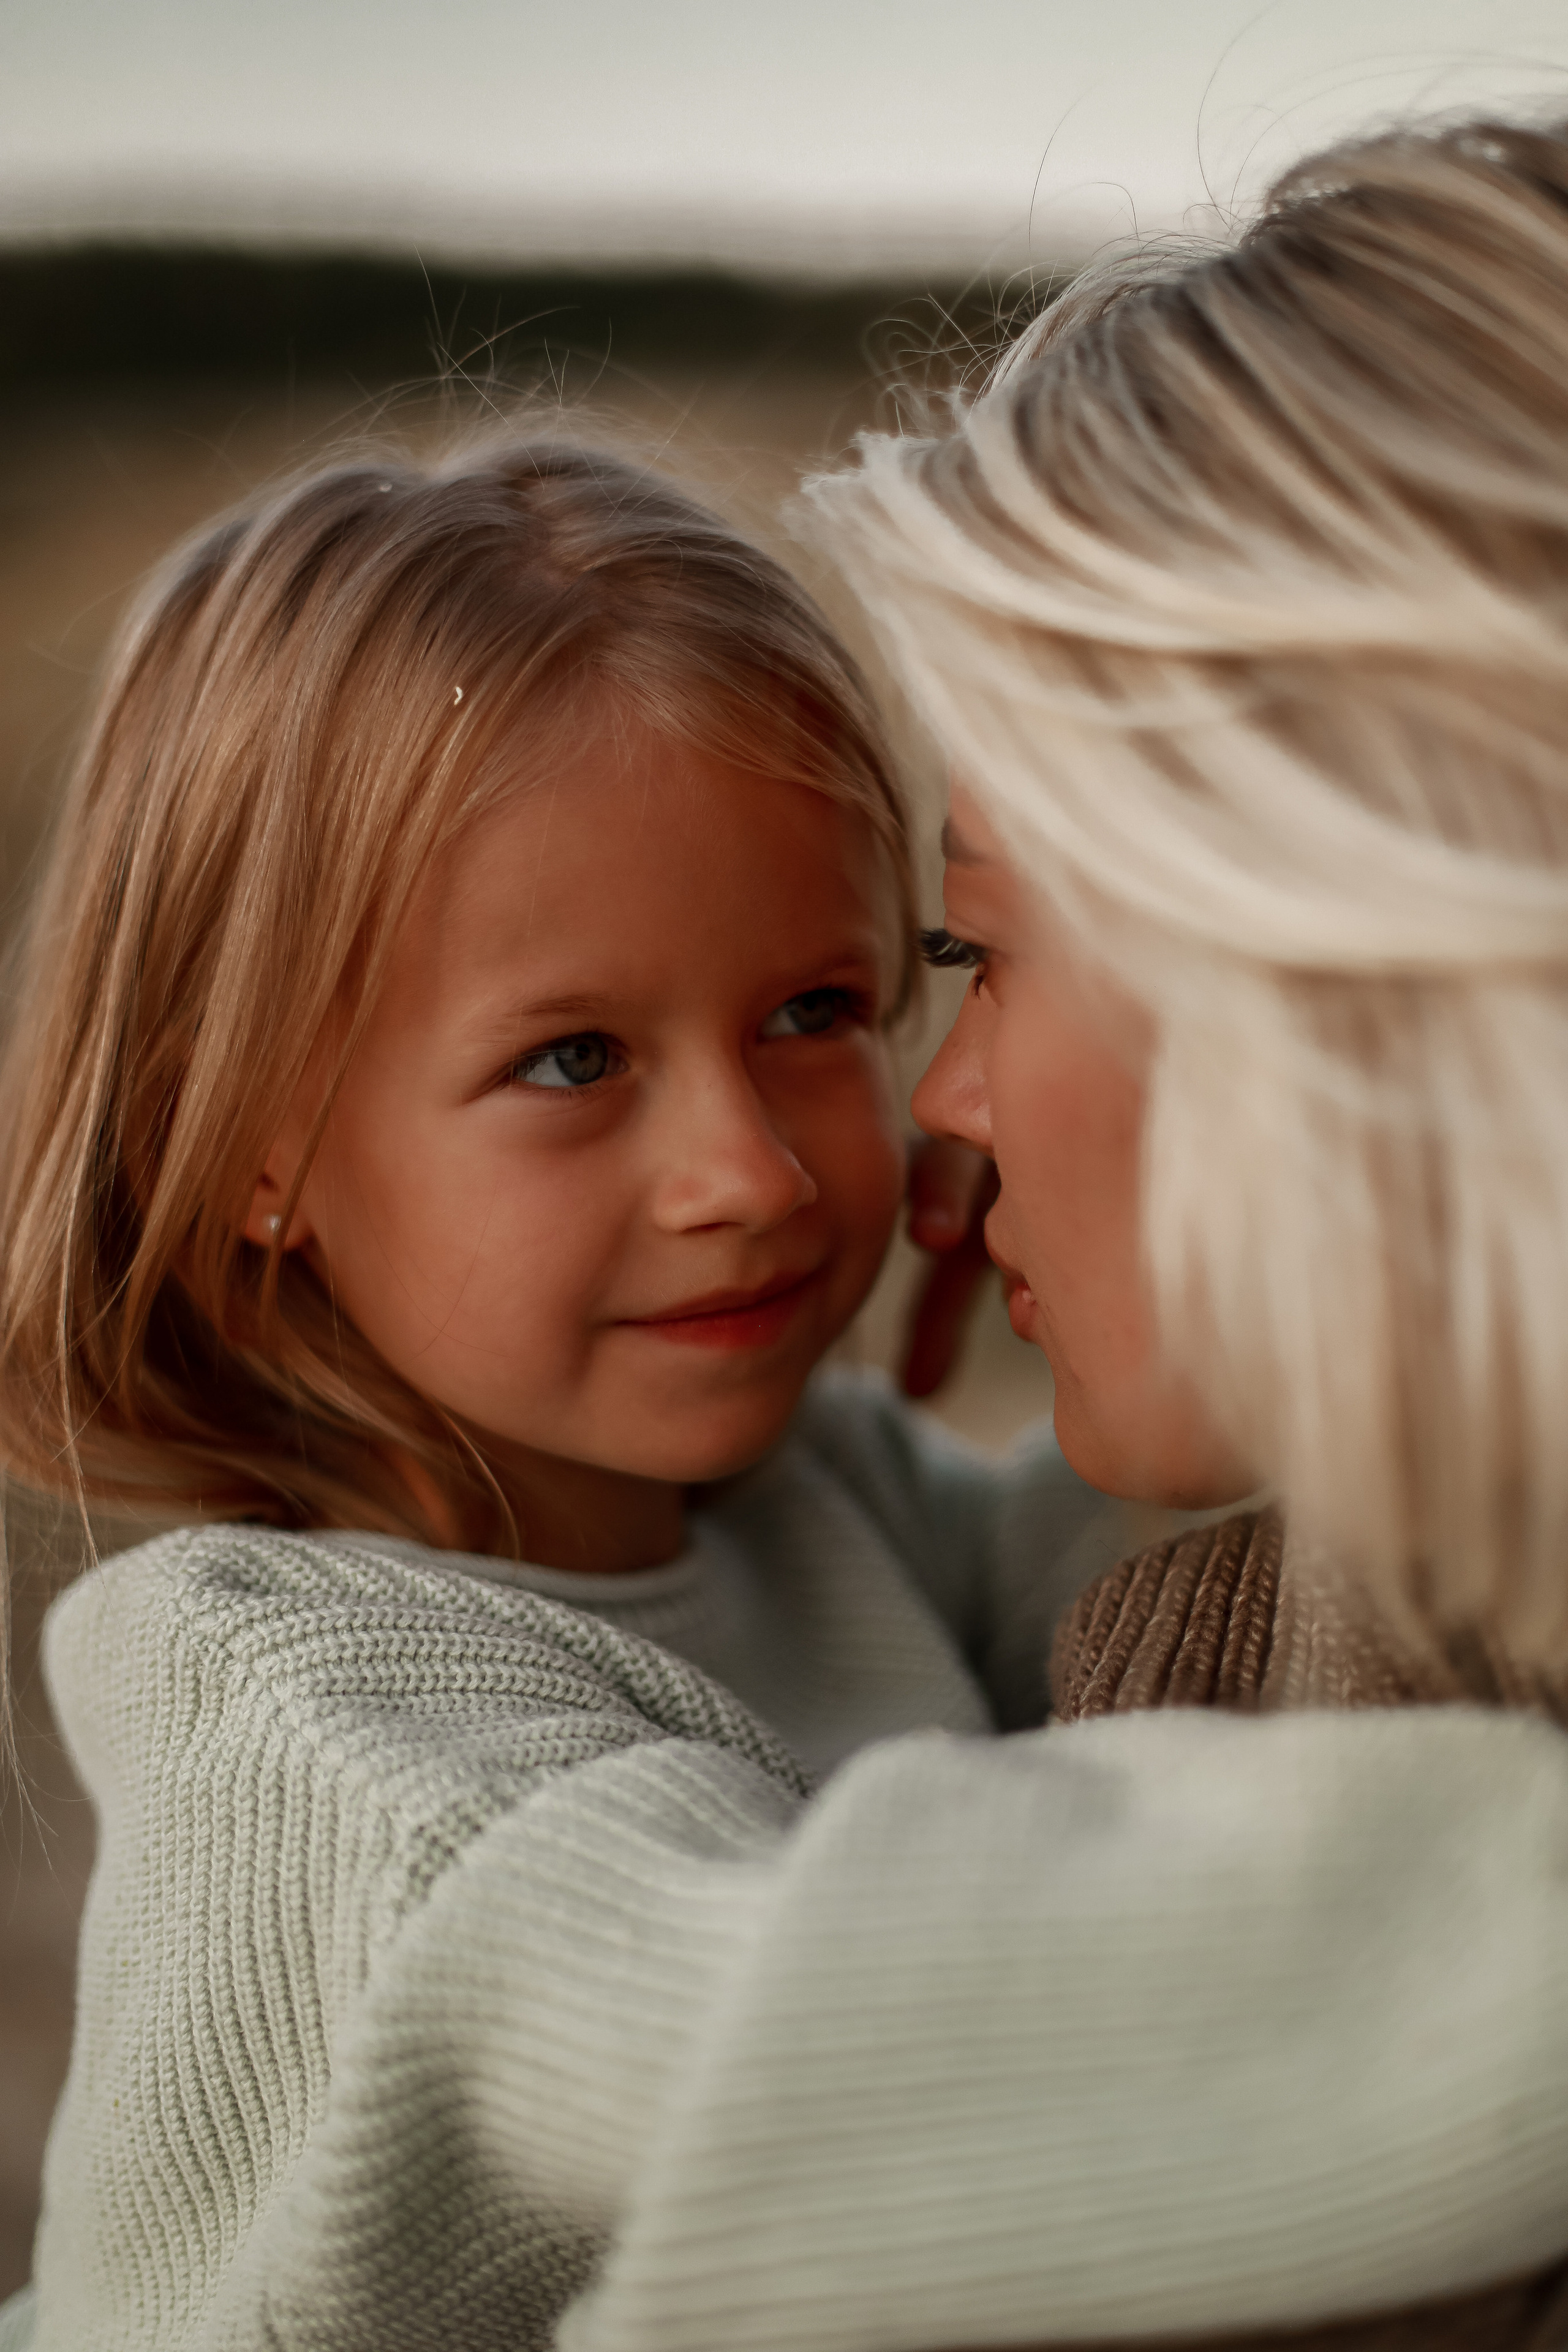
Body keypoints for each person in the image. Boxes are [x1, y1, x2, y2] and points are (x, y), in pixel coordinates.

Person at [0, 439, 1109, 2352]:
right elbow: (846, 2038)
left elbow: (1173, 1579)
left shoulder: (810, 1495)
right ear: (249, 1131)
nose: (750, 1175)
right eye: (576, 1056)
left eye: (814, 1015)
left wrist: (1135, 1244)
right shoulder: (312, 1737)